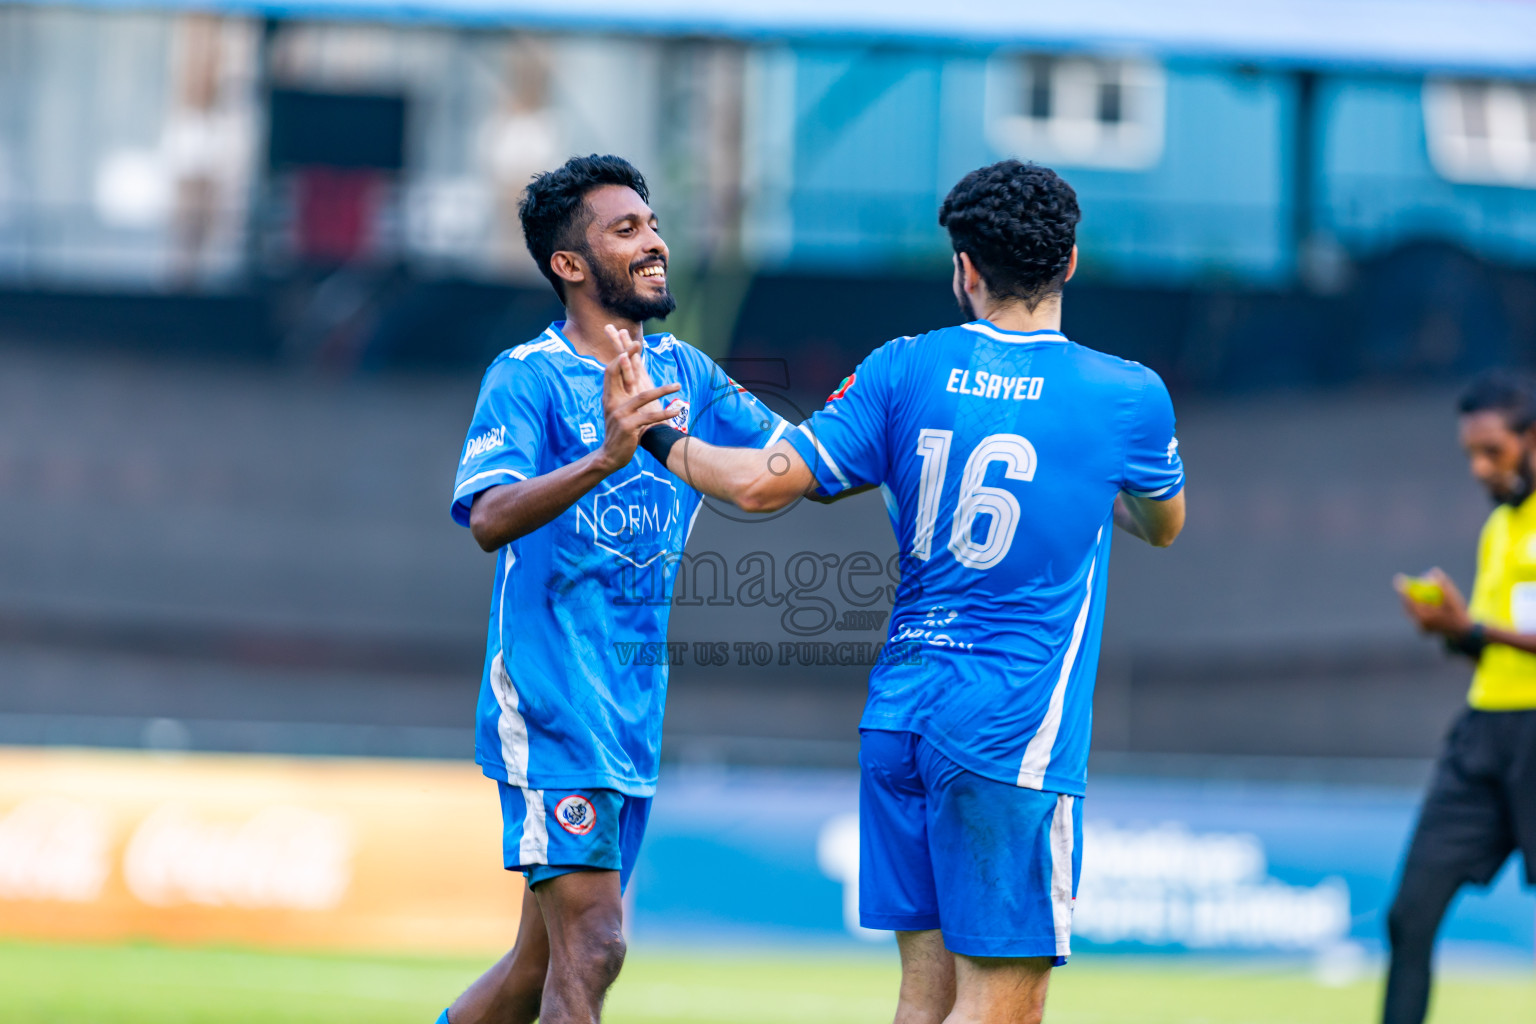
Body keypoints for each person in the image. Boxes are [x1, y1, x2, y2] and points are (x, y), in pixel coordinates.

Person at [608, 160, 1186, 1024]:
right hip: (1010, 731)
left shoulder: (904, 368)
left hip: (902, 718)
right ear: (1070, 260)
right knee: (1001, 1008)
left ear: (965, 269)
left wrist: (655, 439)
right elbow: (1163, 523)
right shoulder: (1129, 395)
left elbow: (761, 484)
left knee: (925, 998)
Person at [437, 154, 785, 1024]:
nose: (654, 242)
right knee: (596, 947)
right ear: (569, 264)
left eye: (653, 223)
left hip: (628, 706)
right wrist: (603, 458)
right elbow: (488, 518)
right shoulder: (527, 376)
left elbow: (794, 459)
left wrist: (890, 423)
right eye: (626, 230)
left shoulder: (688, 375)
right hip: (553, 697)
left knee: (536, 969)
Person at [1386, 371, 1536, 1024]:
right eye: (1471, 454)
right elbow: (1494, 641)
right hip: (1484, 737)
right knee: (1409, 913)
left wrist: (1469, 627)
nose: (1480, 468)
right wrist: (1450, 629)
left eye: (1493, 452)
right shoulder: (1500, 527)